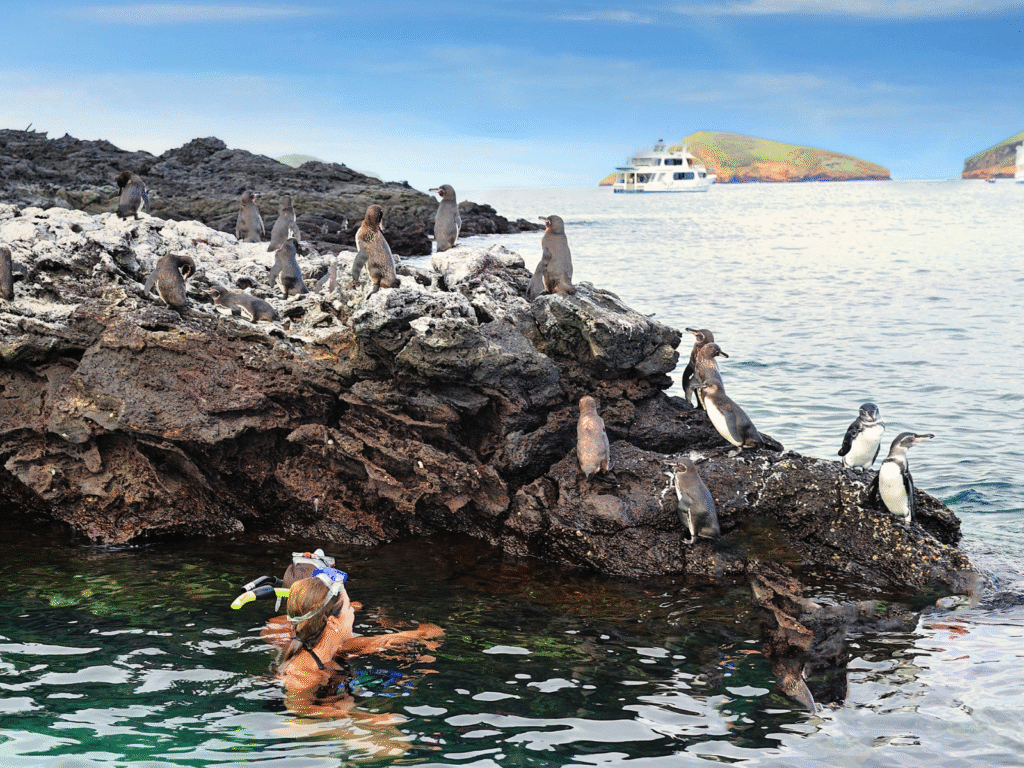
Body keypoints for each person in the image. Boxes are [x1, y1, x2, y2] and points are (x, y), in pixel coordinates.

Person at [273, 567, 445, 717]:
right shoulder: (303, 675)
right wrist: (362, 718)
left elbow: (379, 642)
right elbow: (298, 714)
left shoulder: (330, 649)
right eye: (349, 607)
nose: (353, 612)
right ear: (332, 622)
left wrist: (419, 634)